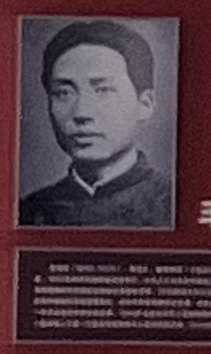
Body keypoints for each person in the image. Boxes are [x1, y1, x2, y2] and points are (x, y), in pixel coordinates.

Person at [18, 19, 174, 228]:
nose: (81, 113)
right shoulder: (28, 211)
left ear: (145, 104)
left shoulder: (172, 204)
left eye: (103, 91)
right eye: (63, 93)